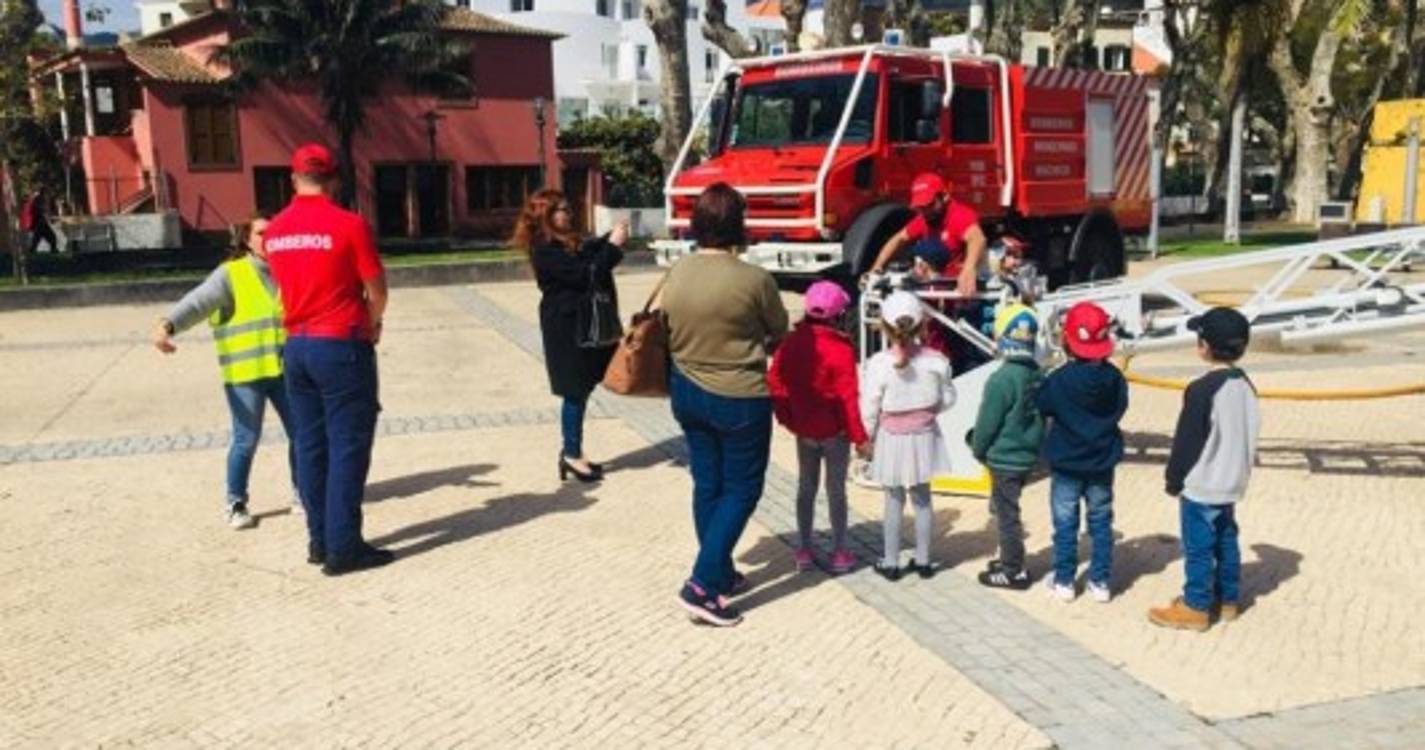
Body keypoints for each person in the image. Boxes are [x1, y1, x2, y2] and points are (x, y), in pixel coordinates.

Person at [262, 143, 392, 577]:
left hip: (295, 347)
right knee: (347, 446)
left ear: (293, 178)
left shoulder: (275, 231)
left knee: (310, 446)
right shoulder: (349, 225)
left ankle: (318, 539)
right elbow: (377, 290)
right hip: (340, 345)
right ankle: (344, 547)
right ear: (334, 178)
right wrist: (371, 325)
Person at [664, 182, 789, 627]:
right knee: (742, 489)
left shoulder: (678, 271)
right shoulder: (753, 279)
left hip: (686, 389)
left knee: (707, 483)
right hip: (738, 395)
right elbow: (778, 330)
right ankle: (702, 584)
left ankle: (719, 569)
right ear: (739, 223)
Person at [153, 214, 299, 530]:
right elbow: (198, 302)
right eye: (261, 233)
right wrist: (168, 325)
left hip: (284, 370)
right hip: (245, 375)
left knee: (302, 434)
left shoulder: (289, 270)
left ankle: (302, 493)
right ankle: (236, 502)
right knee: (246, 439)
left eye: (274, 233)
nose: (268, 239)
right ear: (246, 239)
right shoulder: (232, 274)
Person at [1149, 307, 1260, 631]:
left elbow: (1188, 440)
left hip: (1202, 483)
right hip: (1231, 480)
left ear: (1204, 346)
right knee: (1227, 540)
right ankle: (1227, 600)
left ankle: (1196, 605)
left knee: (1198, 547)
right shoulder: (1245, 385)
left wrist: (1174, 478)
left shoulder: (1201, 389)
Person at [513, 189, 628, 483]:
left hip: (579, 323)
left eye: (567, 207)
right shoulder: (545, 250)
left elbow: (588, 252)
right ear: (546, 216)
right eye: (561, 209)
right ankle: (571, 454)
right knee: (574, 390)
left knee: (583, 387)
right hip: (565, 327)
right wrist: (612, 249)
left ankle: (574, 451)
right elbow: (586, 274)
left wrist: (609, 238)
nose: (568, 213)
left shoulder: (565, 243)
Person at [767, 280, 868, 575]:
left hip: (804, 430)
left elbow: (775, 385)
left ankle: (804, 548)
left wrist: (789, 419)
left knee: (805, 488)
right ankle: (839, 551)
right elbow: (849, 399)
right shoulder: (841, 349)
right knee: (836, 490)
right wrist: (859, 438)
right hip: (835, 433)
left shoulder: (790, 343)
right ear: (838, 315)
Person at [1035, 301, 1128, 603]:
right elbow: (1120, 407)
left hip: (1066, 462)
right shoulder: (1115, 378)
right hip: (1102, 460)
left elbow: (1043, 405)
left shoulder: (1058, 379)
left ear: (1068, 340)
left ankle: (1064, 580)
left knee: (1065, 522)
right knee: (1101, 522)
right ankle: (1099, 582)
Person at [860, 291, 955, 582]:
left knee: (893, 498)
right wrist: (930, 411)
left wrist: (867, 436)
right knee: (923, 497)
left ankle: (890, 562)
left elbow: (870, 406)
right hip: (924, 434)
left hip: (891, 435)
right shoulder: (937, 361)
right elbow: (949, 398)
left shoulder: (878, 364)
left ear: (885, 327)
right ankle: (924, 560)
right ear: (922, 324)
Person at [970, 304, 1045, 591]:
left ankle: (1014, 570)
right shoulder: (1037, 375)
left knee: (1007, 516)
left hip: (1003, 458)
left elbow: (987, 423)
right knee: (1006, 510)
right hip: (1025, 456)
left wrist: (978, 449)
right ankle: (1008, 560)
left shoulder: (1001, 379)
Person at [865, 173, 986, 296]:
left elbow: (977, 238)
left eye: (929, 205)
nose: (925, 211)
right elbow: (899, 238)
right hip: (931, 286)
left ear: (945, 197)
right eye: (920, 207)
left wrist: (969, 269)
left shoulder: (959, 215)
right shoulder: (924, 218)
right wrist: (876, 269)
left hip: (956, 289)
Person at [22, 188, 59, 256]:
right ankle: (52, 249)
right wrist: (45, 215)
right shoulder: (39, 199)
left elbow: (51, 209)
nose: (47, 195)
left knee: (44, 237)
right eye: (46, 193)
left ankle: (52, 249)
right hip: (40, 222)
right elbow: (36, 210)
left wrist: (52, 216)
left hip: (42, 222)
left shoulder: (45, 199)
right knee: (46, 237)